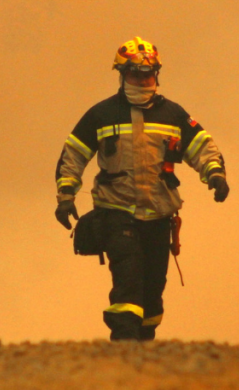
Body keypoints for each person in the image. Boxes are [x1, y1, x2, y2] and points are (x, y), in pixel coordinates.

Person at [54, 36, 229, 341]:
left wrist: (215, 174)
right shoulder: (102, 115)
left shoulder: (173, 115)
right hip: (116, 213)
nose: (143, 79)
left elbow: (202, 147)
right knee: (128, 279)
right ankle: (124, 346)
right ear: (122, 75)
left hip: (159, 216)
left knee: (153, 290)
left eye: (148, 74)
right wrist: (66, 196)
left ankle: (145, 348)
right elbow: (73, 155)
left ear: (157, 74)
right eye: (136, 74)